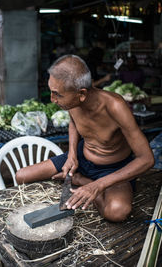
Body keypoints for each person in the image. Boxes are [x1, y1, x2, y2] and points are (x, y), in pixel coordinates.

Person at [15, 55, 154, 222]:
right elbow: (74, 122)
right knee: (21, 176)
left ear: (81, 94)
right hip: (82, 157)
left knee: (117, 212)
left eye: (56, 94)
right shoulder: (71, 101)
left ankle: (82, 180)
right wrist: (72, 153)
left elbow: (146, 159)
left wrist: (97, 185)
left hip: (112, 167)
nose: (52, 100)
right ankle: (82, 179)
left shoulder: (115, 107)